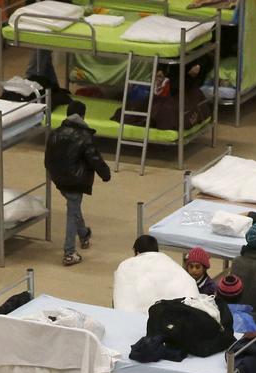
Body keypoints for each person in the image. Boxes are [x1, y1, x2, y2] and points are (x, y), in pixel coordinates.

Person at [46, 100, 112, 268]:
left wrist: (54, 174)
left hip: (58, 177)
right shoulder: (84, 136)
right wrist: (105, 174)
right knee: (72, 211)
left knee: (73, 206)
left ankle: (83, 234)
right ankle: (69, 253)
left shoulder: (55, 133)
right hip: (76, 179)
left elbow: (47, 158)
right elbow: (94, 158)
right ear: (83, 115)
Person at [113, 234, 198, 311]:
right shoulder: (169, 263)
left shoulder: (126, 265)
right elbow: (187, 284)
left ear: (137, 252)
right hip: (177, 314)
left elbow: (122, 294)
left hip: (138, 317)